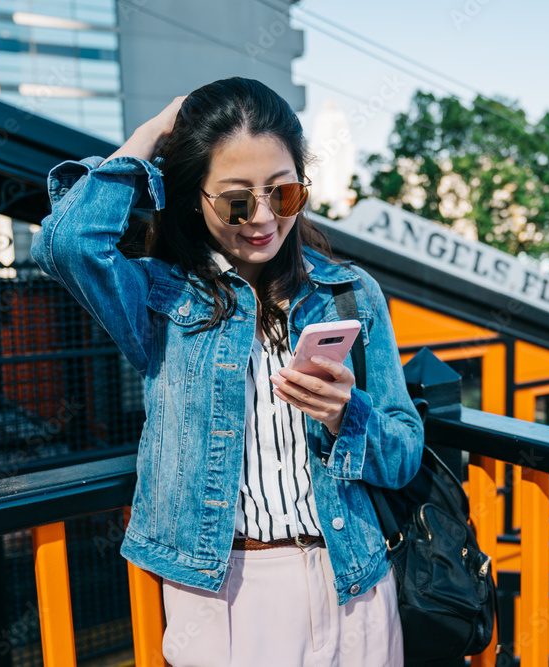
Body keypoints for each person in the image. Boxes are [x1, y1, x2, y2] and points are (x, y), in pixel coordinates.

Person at [30, 76, 425, 666]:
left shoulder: (351, 295)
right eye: (238, 199)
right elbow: (69, 245)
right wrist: (150, 135)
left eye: (284, 193)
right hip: (225, 587)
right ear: (196, 198)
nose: (264, 218)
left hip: (354, 577)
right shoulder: (162, 298)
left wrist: (349, 416)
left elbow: (404, 454)